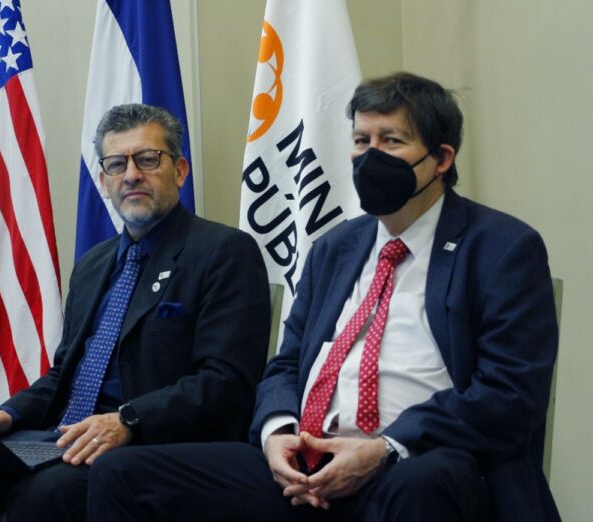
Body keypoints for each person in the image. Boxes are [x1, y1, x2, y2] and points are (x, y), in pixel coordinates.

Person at [86, 73, 561, 522]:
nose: (370, 156)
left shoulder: (500, 248)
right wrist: (276, 433)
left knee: (424, 481)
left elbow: (510, 393)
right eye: (361, 141)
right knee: (121, 475)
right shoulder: (336, 248)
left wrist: (385, 448)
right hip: (305, 463)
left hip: (412, 461)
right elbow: (286, 365)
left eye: (391, 141)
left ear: (441, 158)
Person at [0, 103, 271, 521]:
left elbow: (225, 383)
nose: (131, 175)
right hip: (67, 439)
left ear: (180, 171)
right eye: (117, 164)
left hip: (155, 445)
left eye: (147, 159)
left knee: (43, 497)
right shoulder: (92, 265)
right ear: (104, 182)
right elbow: (63, 374)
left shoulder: (223, 252)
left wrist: (128, 420)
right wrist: (8, 414)